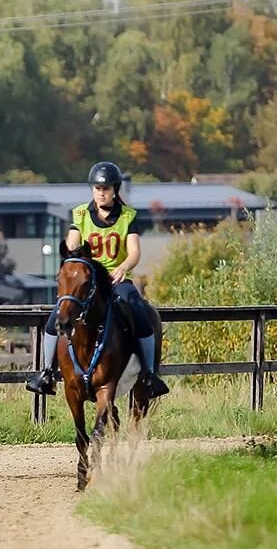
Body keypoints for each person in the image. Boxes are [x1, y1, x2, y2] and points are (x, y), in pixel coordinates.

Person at [25, 161, 170, 398]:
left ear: (115, 190)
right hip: (87, 281)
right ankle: (47, 372)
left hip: (115, 279)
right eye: (97, 188)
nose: (101, 193)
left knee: (140, 311)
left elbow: (134, 251)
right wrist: (71, 251)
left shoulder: (127, 216)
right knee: (55, 318)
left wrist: (123, 267)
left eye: (106, 188)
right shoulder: (81, 214)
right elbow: (72, 243)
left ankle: (149, 374)